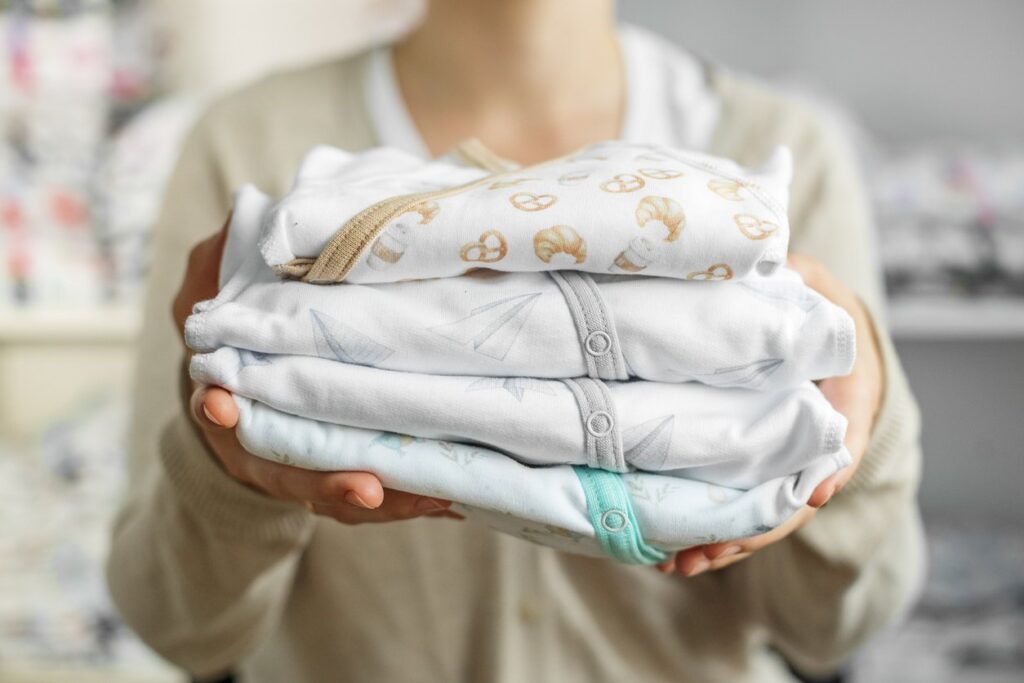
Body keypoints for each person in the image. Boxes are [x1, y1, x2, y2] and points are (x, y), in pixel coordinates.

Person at [107, 2, 924, 681]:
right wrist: (229, 473)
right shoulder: (248, 146)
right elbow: (179, 626)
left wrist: (863, 425)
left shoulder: (782, 159)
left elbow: (834, 628)